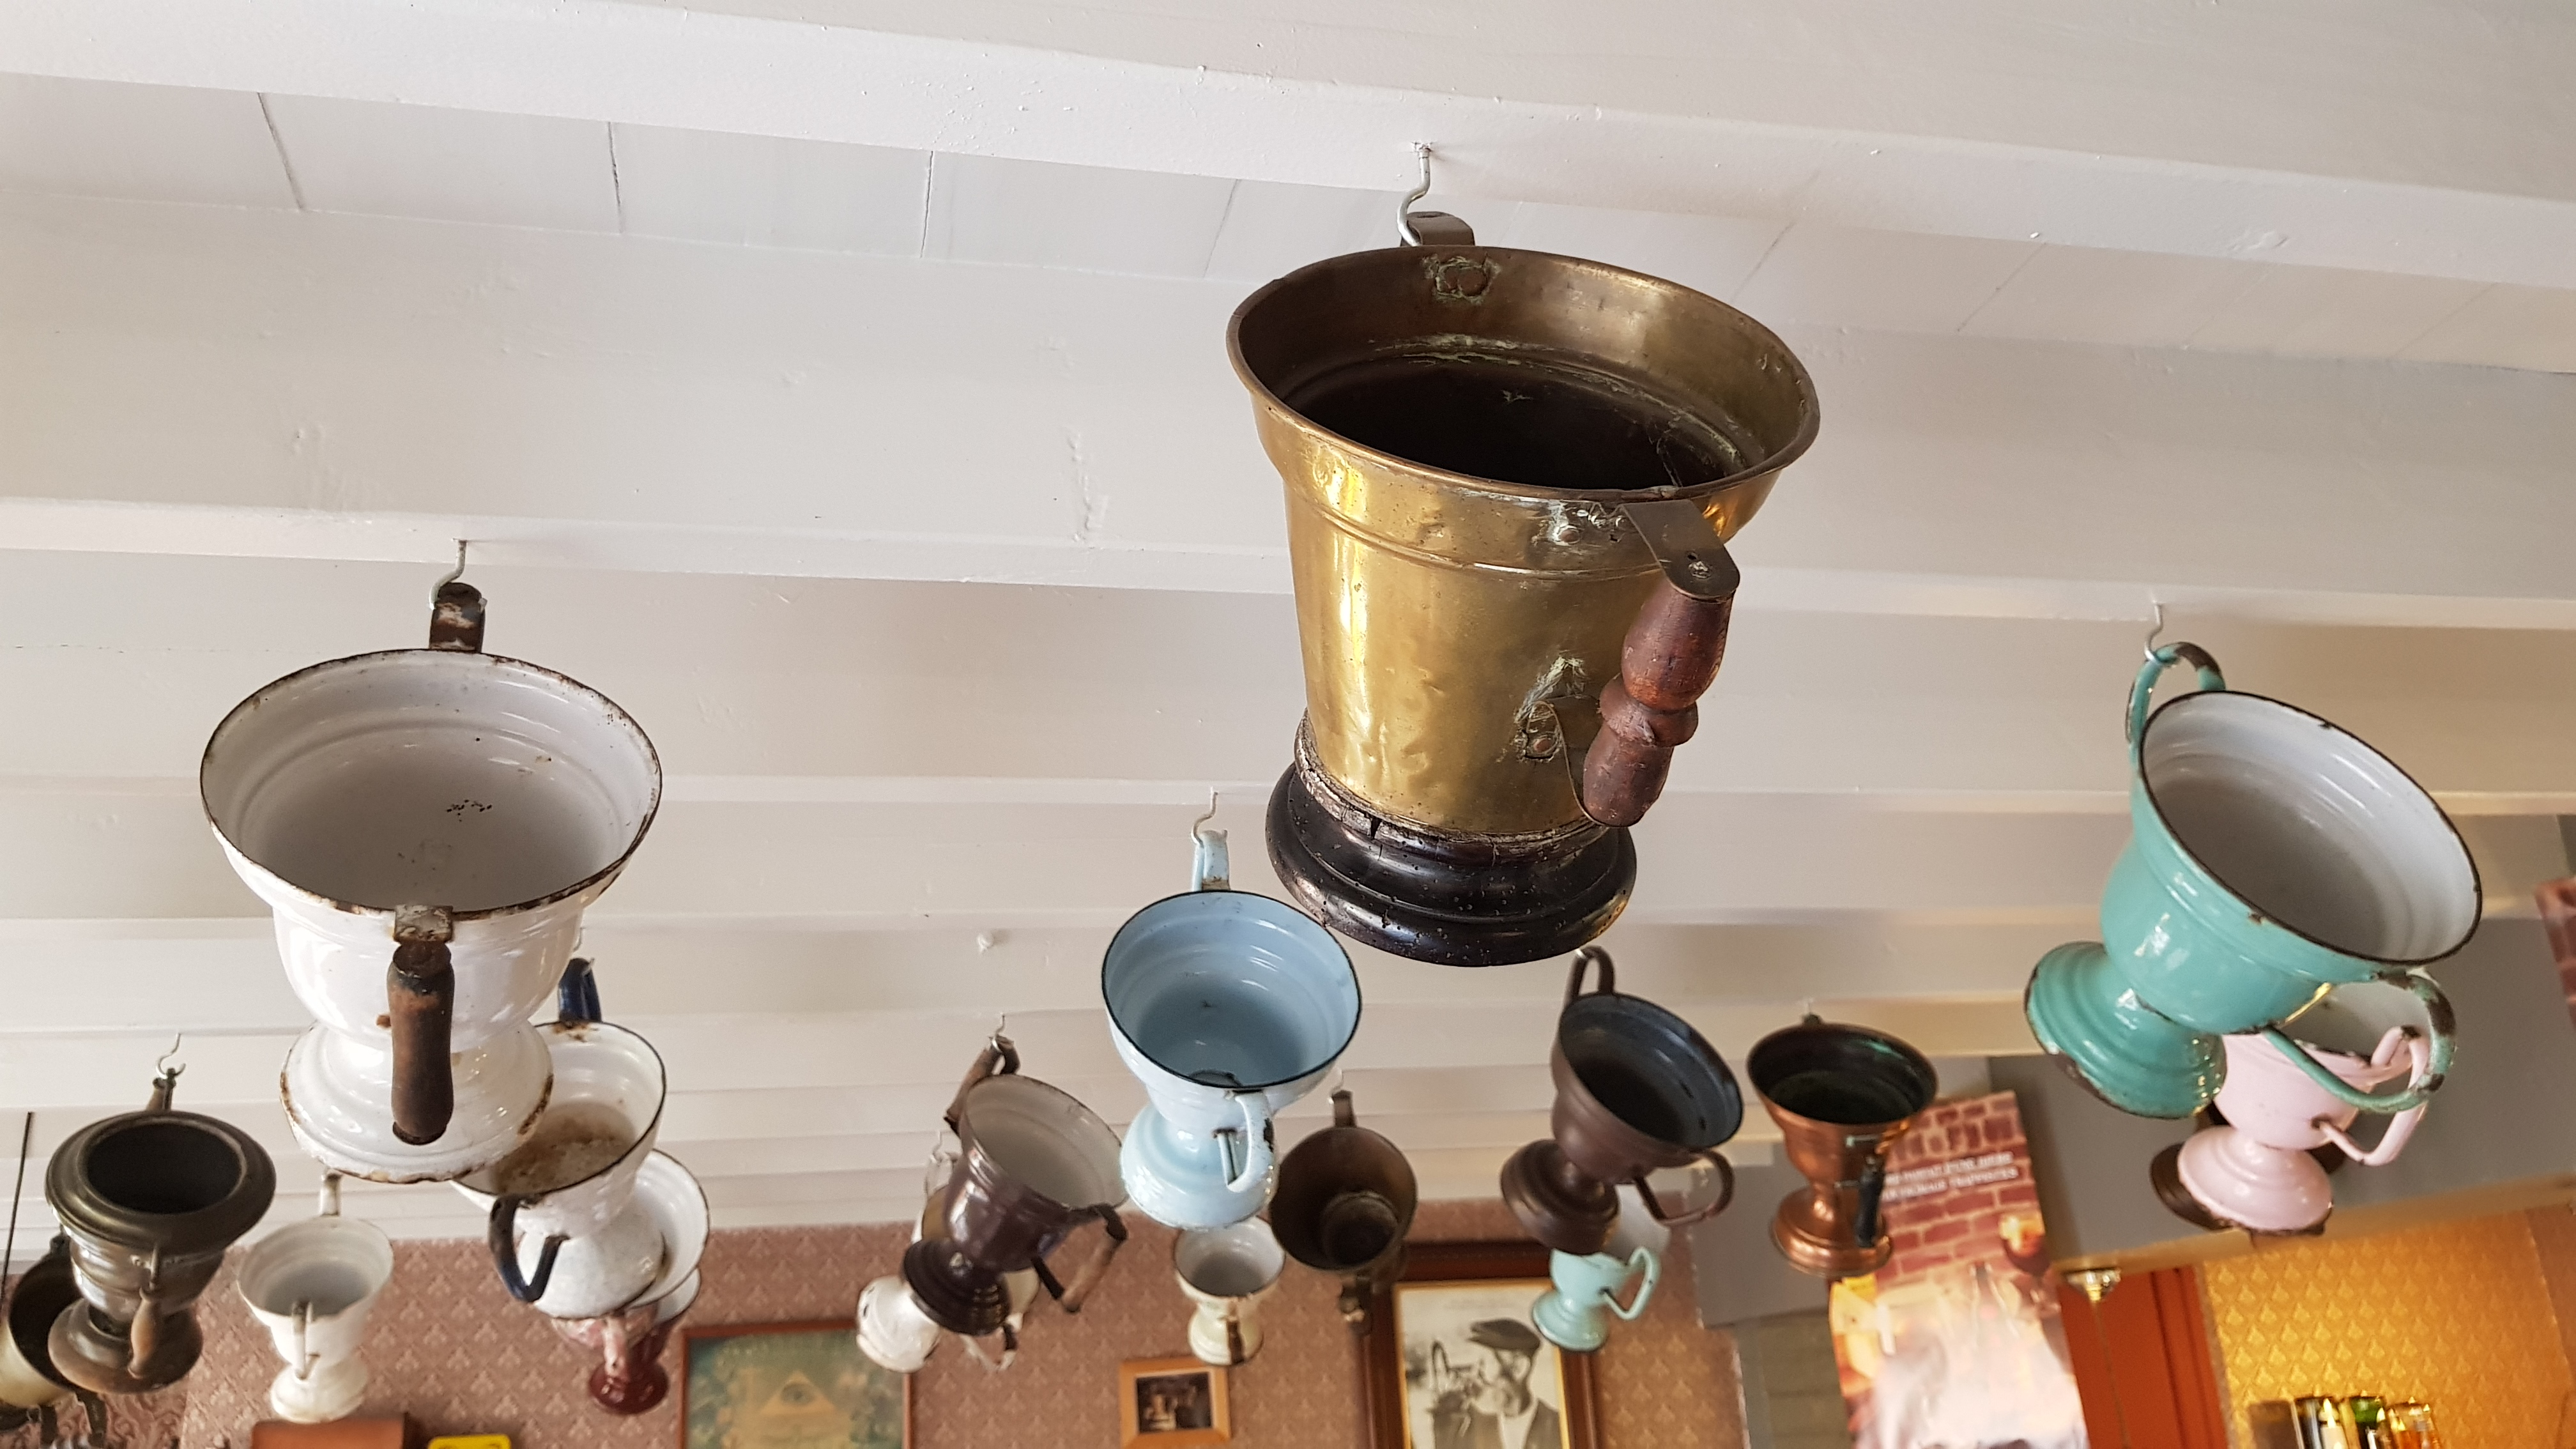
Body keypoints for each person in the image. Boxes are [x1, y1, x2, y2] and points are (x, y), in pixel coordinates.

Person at [1429, 1319, 1560, 1449]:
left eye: (1483, 1366)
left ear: (1518, 1368)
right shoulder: (1467, 1427)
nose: (1474, 1379)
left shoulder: (1559, 1428)